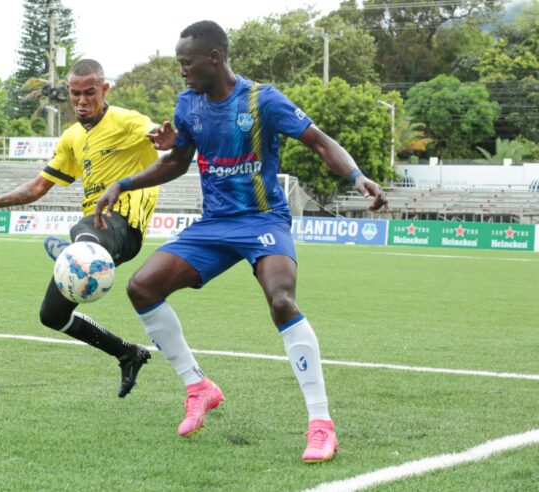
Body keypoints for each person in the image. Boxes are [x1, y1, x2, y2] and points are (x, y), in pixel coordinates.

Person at [94, 20, 388, 462]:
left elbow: (319, 142)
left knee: (282, 301)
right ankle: (198, 386)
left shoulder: (262, 100)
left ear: (214, 58)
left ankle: (321, 424)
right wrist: (126, 182)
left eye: (186, 62)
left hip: (262, 220)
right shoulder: (188, 104)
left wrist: (357, 176)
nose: (182, 71)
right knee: (142, 287)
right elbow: (177, 161)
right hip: (214, 225)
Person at [0, 59, 174, 398]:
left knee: (85, 228)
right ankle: (127, 352)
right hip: (94, 231)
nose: (82, 101)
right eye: (75, 94)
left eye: (89, 93)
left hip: (125, 225)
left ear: (104, 90)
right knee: (52, 315)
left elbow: (160, 137)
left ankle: (72, 252)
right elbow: (37, 187)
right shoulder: (71, 138)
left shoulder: (126, 121)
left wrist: (167, 140)